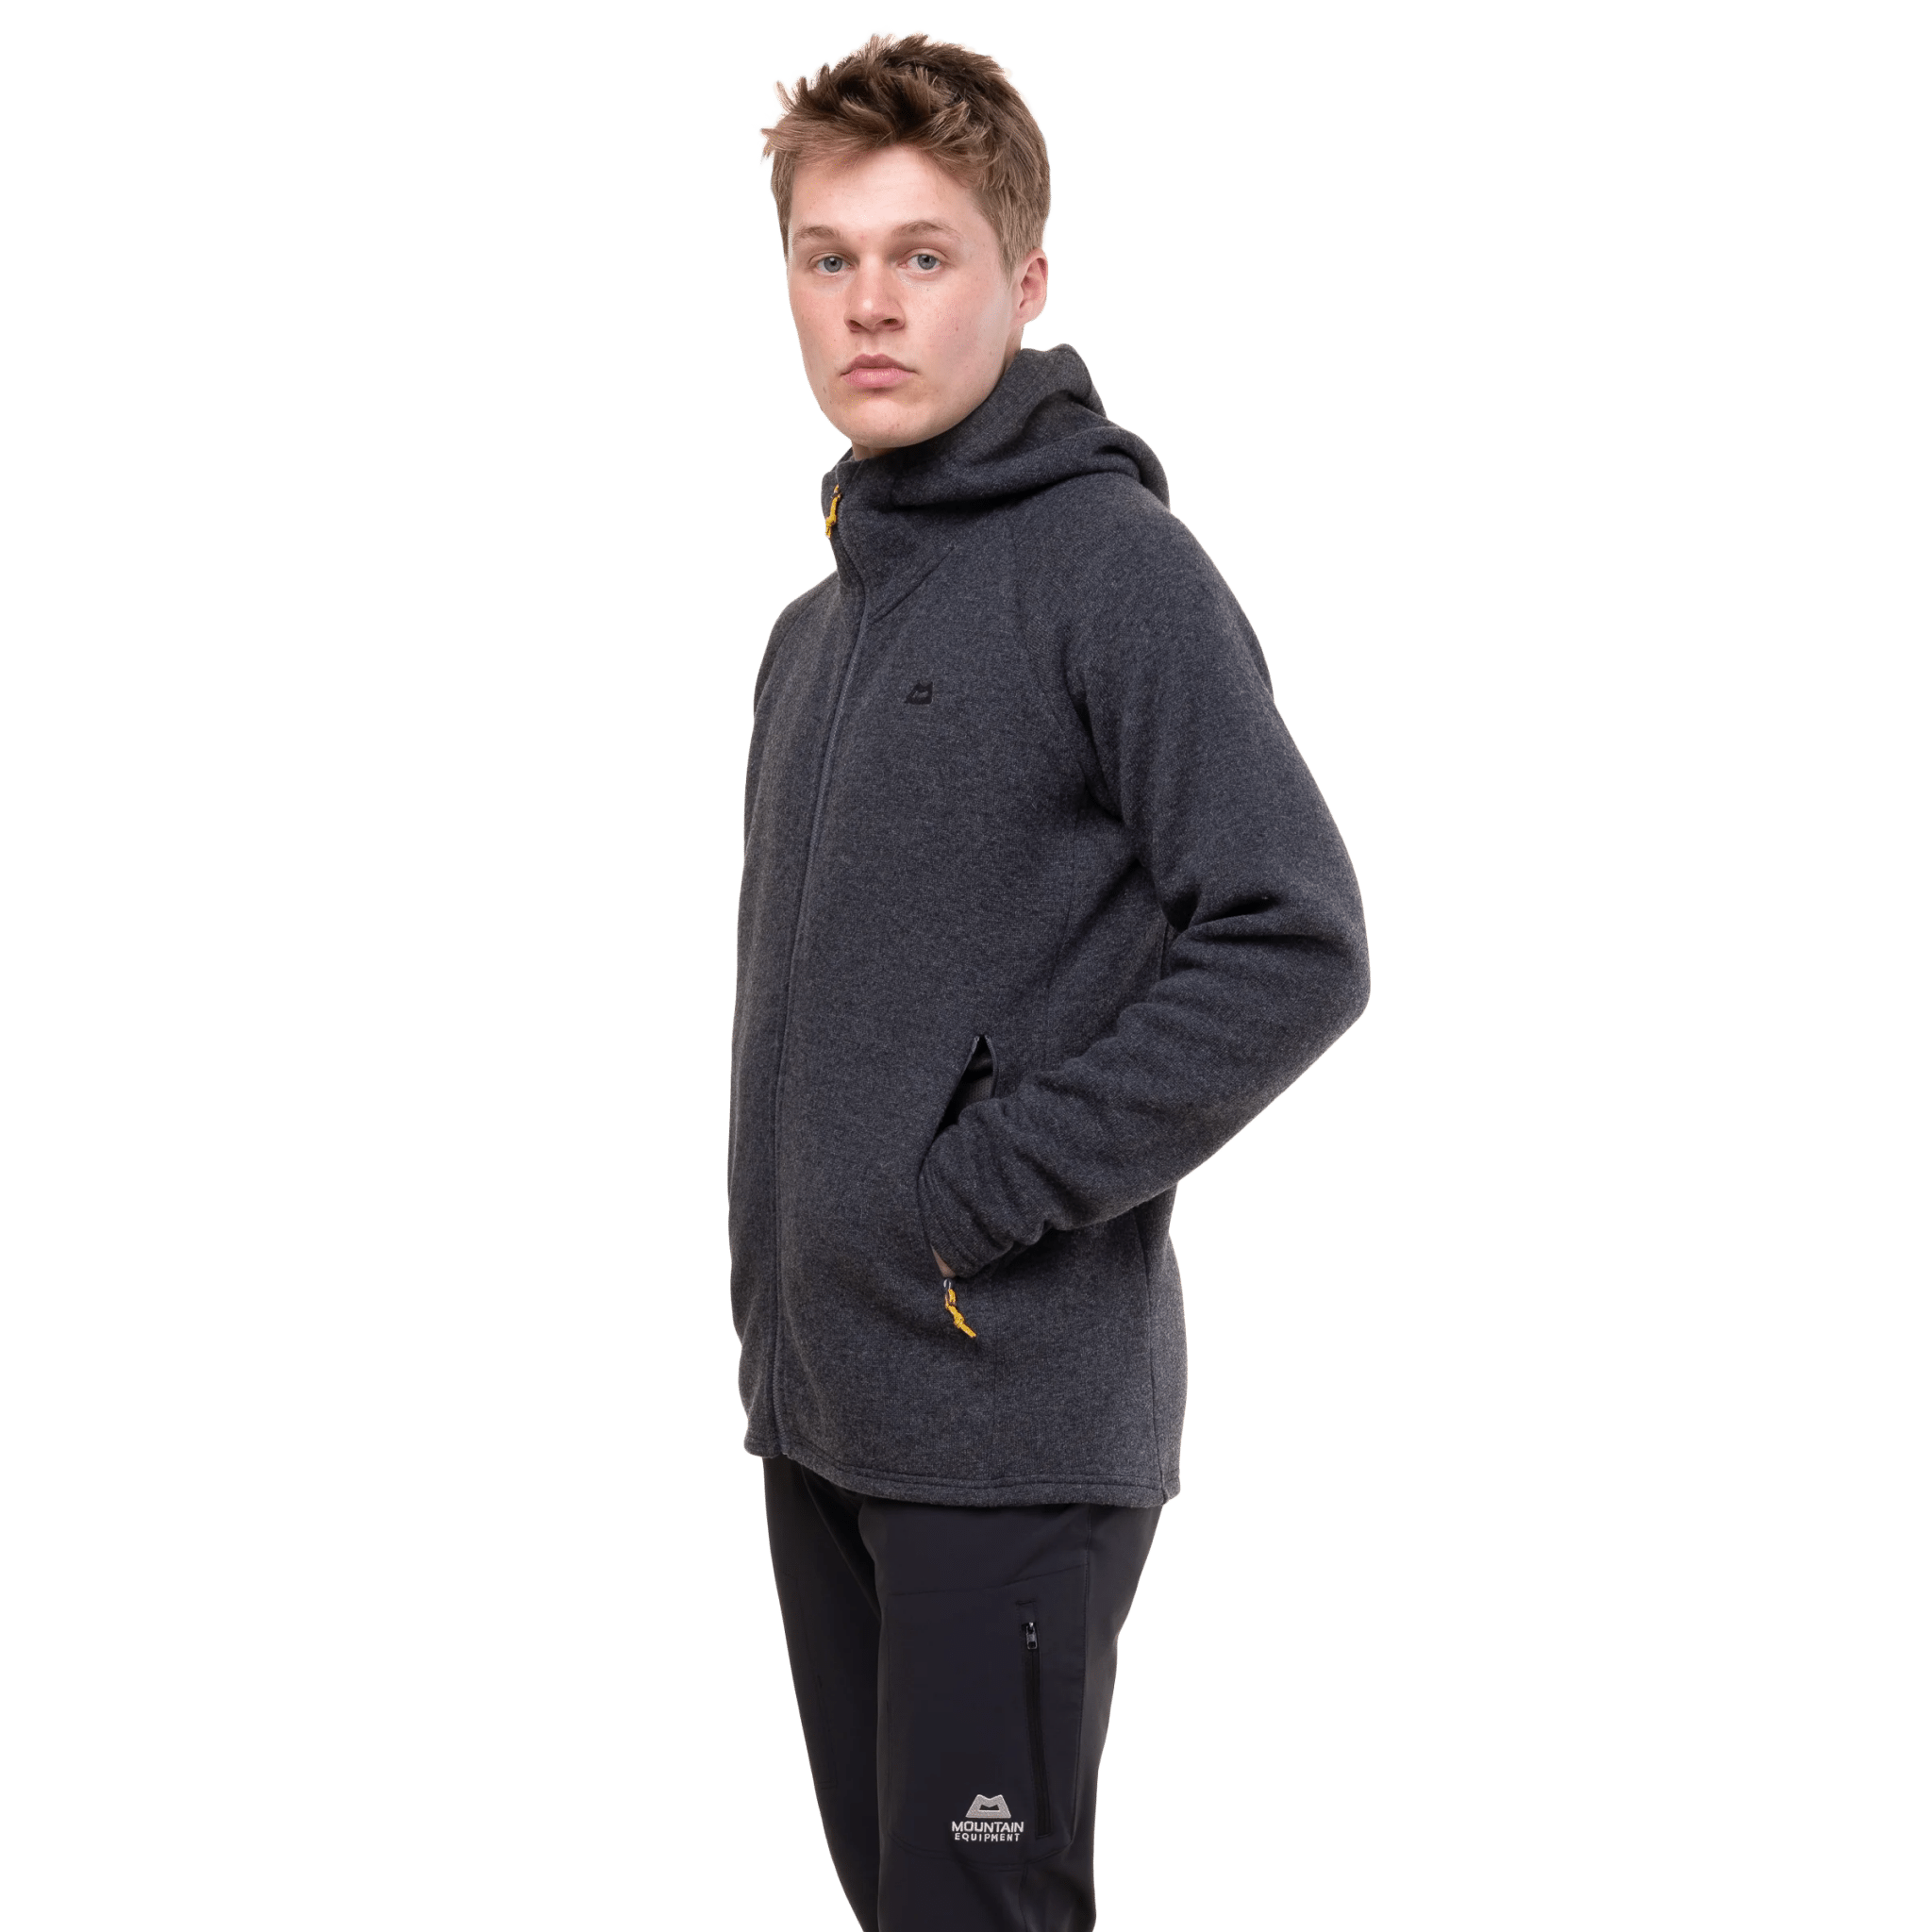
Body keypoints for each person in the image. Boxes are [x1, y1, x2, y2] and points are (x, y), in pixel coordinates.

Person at [729, 27, 1372, 1931]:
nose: (869, 303)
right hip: (817, 1407)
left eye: (923, 255)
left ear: (1022, 283)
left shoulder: (1112, 569)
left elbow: (1294, 936)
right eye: (829, 255)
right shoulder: (811, 634)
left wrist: (978, 1192)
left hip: (1003, 1413)